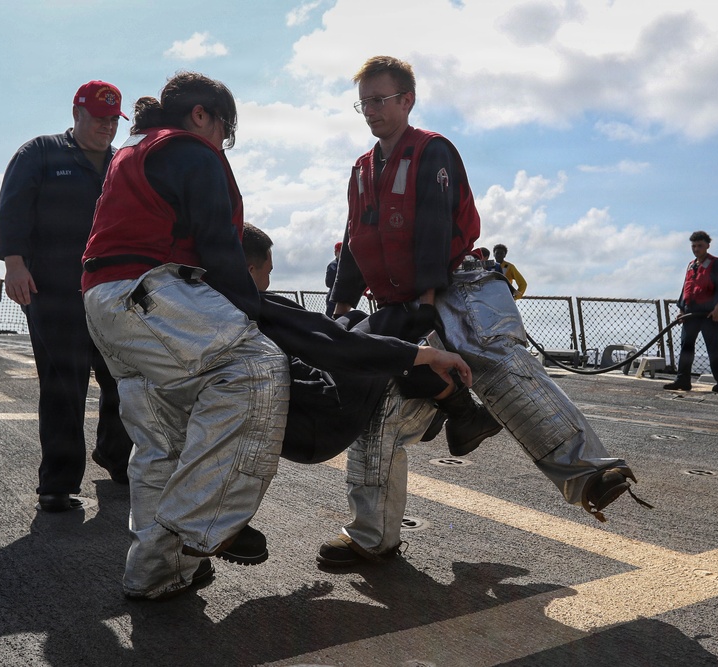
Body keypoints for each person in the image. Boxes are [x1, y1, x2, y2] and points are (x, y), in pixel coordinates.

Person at [325, 55, 649, 566]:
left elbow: (433, 226)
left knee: (497, 363)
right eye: (364, 101)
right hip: (397, 303)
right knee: (375, 407)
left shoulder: (433, 152)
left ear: (407, 100)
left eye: (380, 99)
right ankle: (374, 534)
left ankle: (590, 471)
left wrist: (428, 303)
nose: (370, 110)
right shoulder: (362, 170)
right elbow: (354, 236)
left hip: (454, 286)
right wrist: (341, 308)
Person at [81, 72, 289, 601]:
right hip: (149, 291)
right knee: (256, 368)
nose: (223, 144)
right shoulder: (192, 151)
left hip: (106, 302)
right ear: (204, 115)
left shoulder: (135, 150)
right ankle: (186, 542)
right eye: (226, 131)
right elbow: (221, 249)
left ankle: (161, 572)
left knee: (161, 438)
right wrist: (253, 319)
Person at [0, 80, 134, 513]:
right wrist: (13, 263)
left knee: (125, 380)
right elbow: (13, 205)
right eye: (99, 119)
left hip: (111, 293)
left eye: (114, 120)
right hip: (53, 289)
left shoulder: (121, 164)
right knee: (63, 386)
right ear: (76, 114)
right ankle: (58, 482)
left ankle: (117, 457)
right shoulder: (39, 152)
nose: (107, 128)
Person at [240, 223, 473, 464]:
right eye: (267, 273)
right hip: (321, 422)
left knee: (356, 318)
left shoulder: (219, 302)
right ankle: (459, 409)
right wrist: (428, 354)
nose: (268, 281)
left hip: (291, 429)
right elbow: (336, 347)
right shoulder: (257, 305)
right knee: (393, 317)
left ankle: (434, 393)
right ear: (249, 270)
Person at [664, 231, 718, 393]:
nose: (696, 249)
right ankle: (683, 380)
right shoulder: (691, 265)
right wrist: (681, 309)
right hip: (690, 314)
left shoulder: (717, 264)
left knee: (715, 349)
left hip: (708, 314)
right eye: (693, 246)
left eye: (699, 246)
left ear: (707, 246)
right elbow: (686, 288)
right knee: (686, 348)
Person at [324, 241, 342, 316]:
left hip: (340, 295)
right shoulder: (333, 265)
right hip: (334, 295)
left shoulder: (343, 265)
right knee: (330, 316)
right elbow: (328, 283)